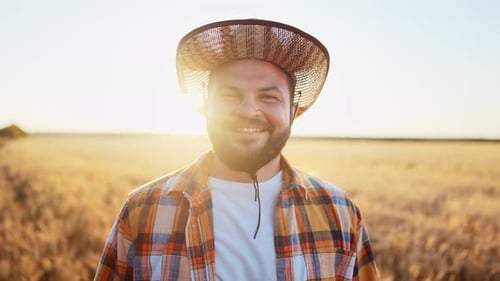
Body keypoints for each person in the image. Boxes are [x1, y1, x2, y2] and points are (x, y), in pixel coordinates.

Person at [94, 19, 380, 281]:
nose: (248, 110)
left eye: (268, 97)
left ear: (293, 111)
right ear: (207, 107)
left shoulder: (339, 212)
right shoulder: (143, 210)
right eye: (230, 95)